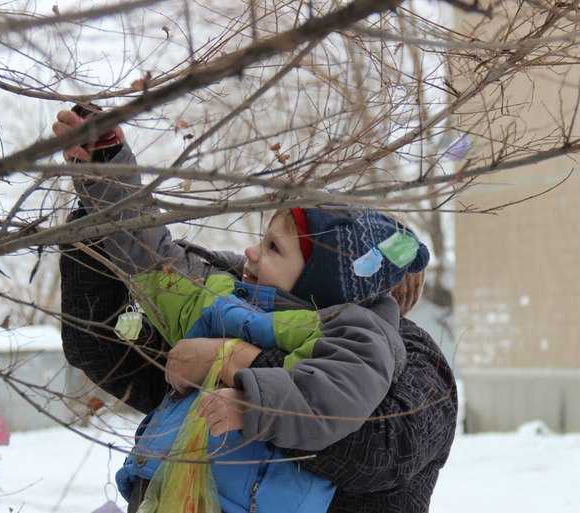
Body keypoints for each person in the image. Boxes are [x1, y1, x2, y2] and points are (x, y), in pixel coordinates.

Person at [56, 108, 457, 513]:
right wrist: (103, 189)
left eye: (274, 247)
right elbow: (115, 325)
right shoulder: (232, 297)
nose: (252, 252)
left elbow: (379, 448)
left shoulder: (406, 354)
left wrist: (235, 364)